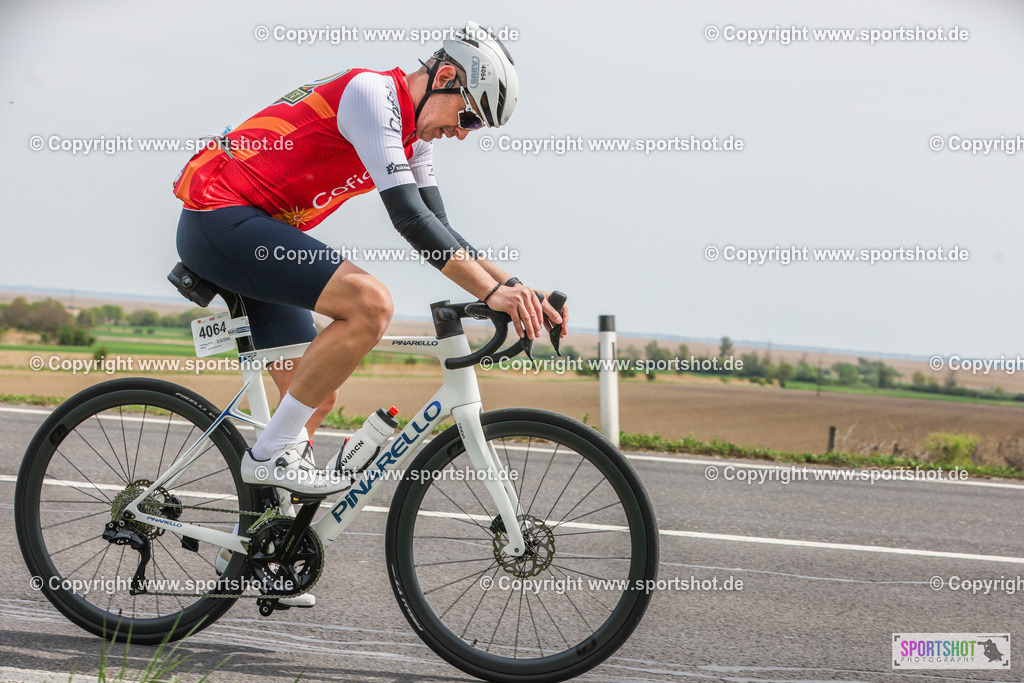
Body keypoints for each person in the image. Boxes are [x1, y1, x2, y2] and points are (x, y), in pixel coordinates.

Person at [174, 23, 567, 502]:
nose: (463, 134)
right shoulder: (372, 94)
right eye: (469, 116)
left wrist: (518, 286)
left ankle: (257, 539)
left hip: (254, 229)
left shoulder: (413, 139)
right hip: (218, 217)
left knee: (314, 395)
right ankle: (267, 459)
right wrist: (490, 294)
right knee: (370, 305)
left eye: (475, 126)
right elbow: (408, 218)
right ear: (445, 75)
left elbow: (440, 227)